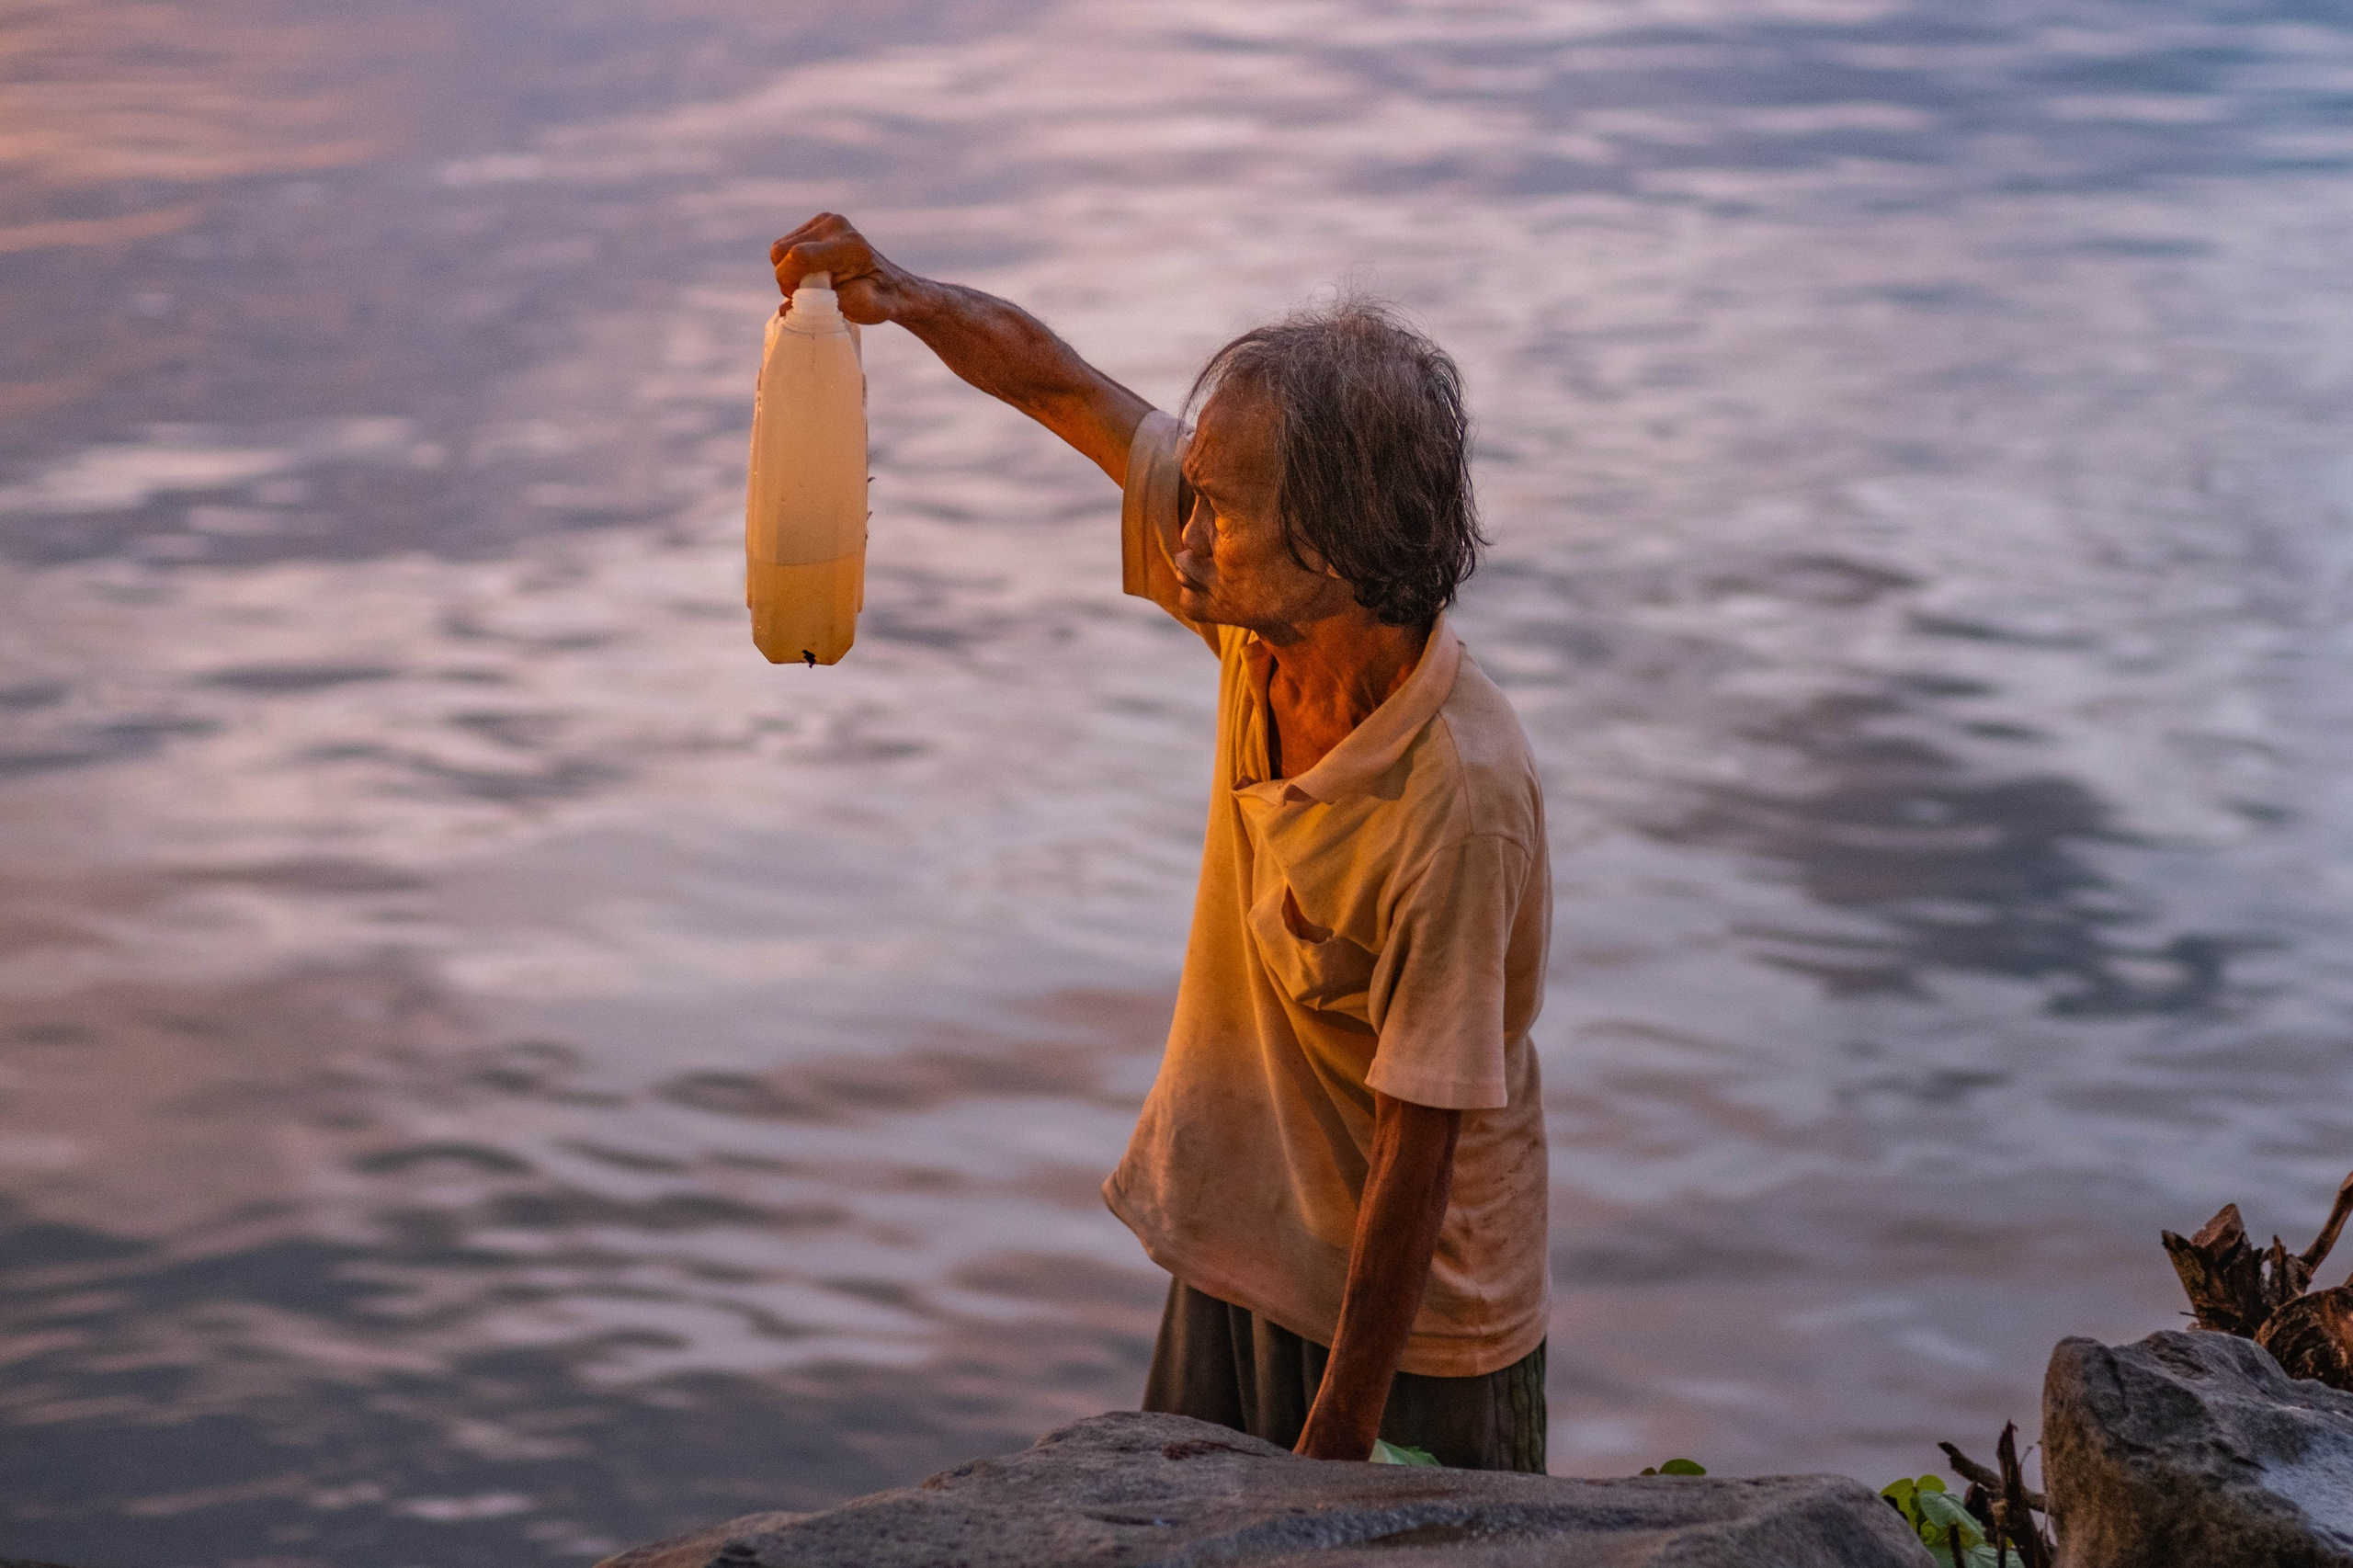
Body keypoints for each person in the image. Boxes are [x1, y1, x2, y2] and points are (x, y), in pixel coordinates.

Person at [769, 214, 1552, 1471]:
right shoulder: (1262, 631)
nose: (1182, 539)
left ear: (1337, 548)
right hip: (1238, 1252)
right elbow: (1057, 381)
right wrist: (897, 294)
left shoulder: (1456, 791)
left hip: (1410, 1333)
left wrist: (1339, 1446)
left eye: (1218, 513)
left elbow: (1421, 1145)